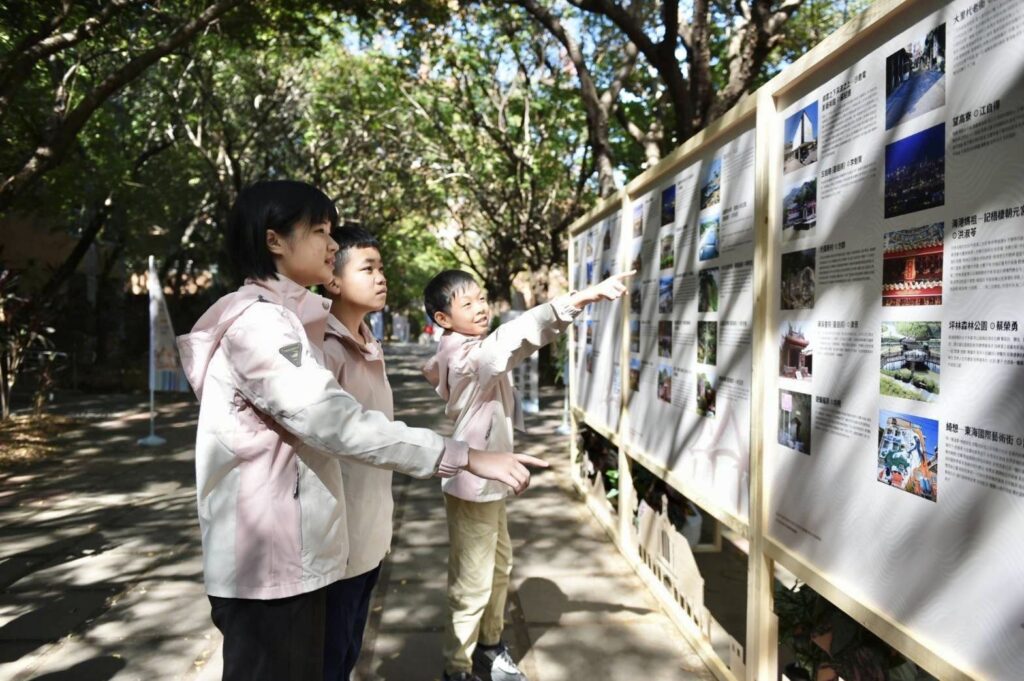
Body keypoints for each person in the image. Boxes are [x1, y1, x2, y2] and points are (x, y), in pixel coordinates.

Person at [176, 180, 547, 681]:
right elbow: (336, 422)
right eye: (320, 231)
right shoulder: (261, 327)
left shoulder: (291, 322)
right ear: (274, 241)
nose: (332, 244)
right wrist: (466, 455)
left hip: (301, 560)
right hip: (272, 567)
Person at [421, 268, 632, 681]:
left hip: (488, 481)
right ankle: (457, 667)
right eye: (468, 304)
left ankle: (489, 646)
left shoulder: (466, 349)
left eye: (481, 298)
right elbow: (515, 337)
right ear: (443, 319)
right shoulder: (468, 357)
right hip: (472, 484)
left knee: (498, 567)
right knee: (473, 581)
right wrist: (580, 298)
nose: (481, 307)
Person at [318, 226, 395, 679]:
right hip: (339, 546)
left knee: (347, 652)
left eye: (381, 267)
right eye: (368, 268)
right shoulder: (325, 351)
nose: (381, 277)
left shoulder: (368, 342)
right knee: (331, 658)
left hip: (371, 533)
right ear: (333, 280)